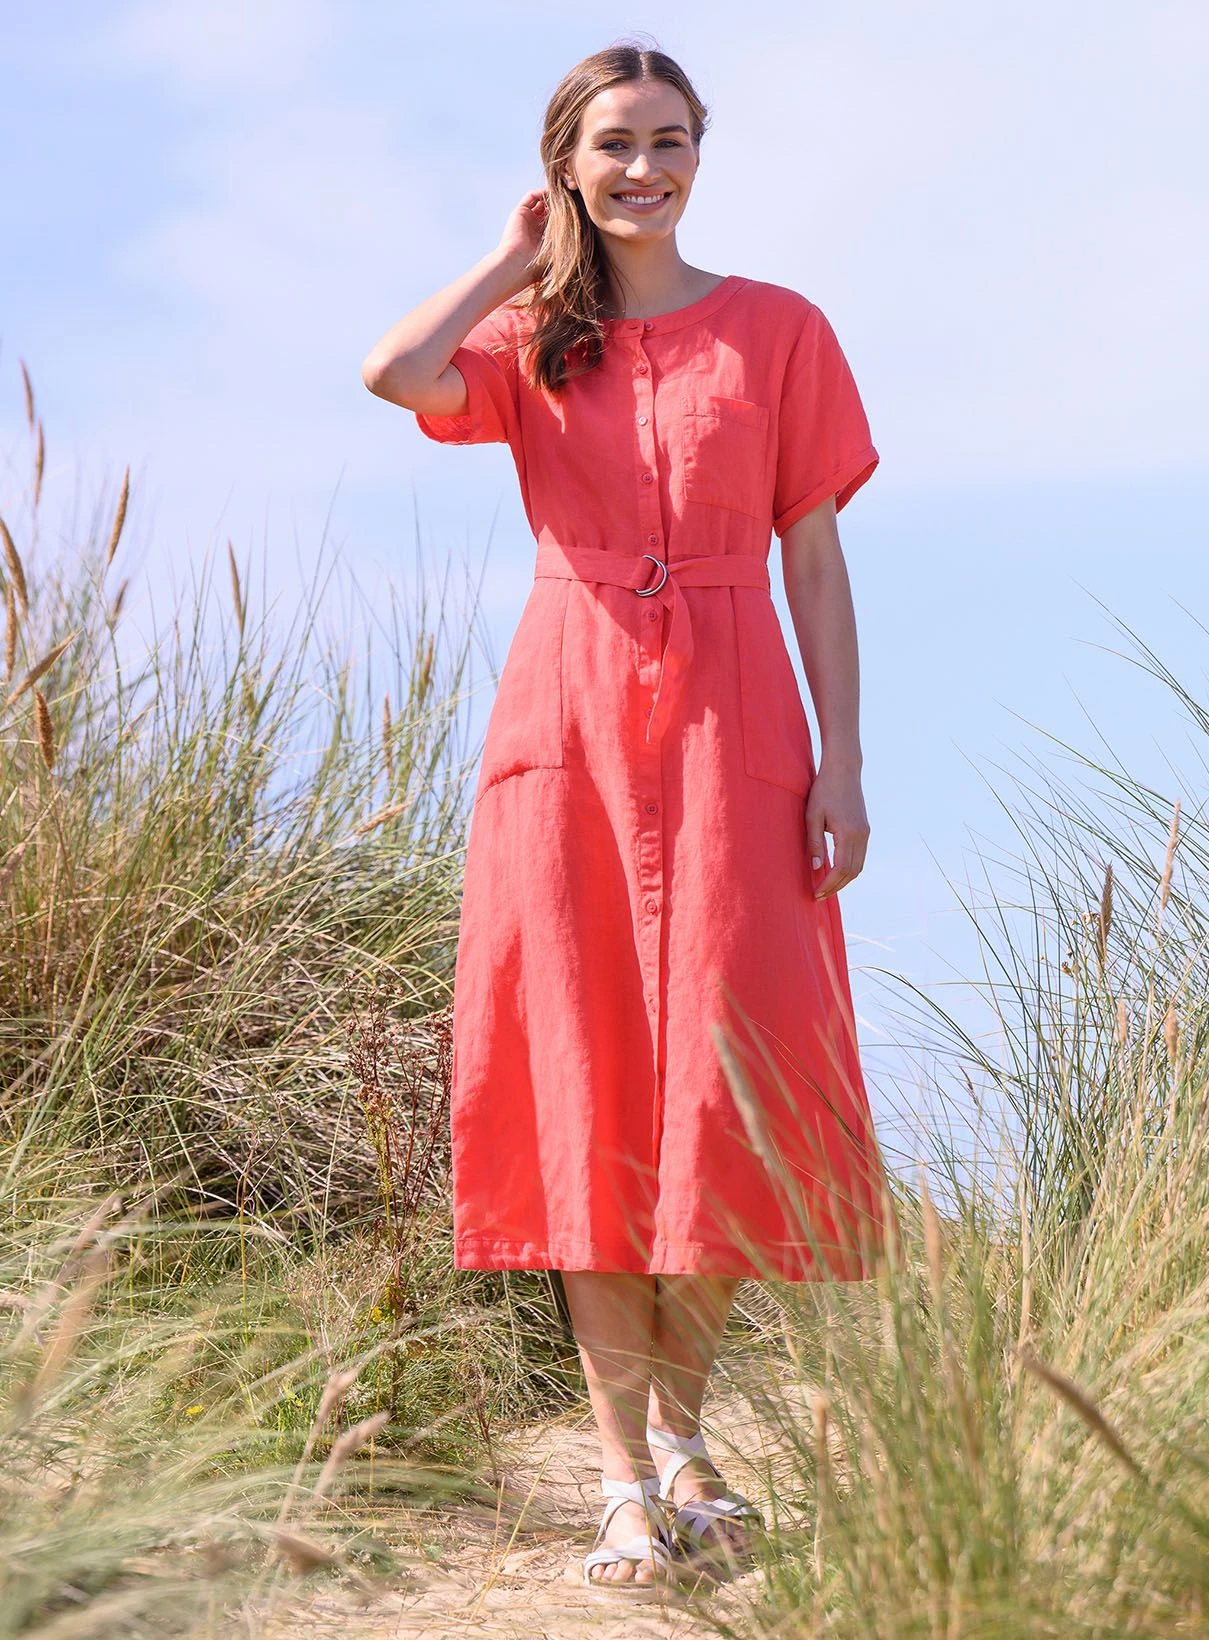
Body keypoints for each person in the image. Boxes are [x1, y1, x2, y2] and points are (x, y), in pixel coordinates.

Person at [362, 40, 893, 1600]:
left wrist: (843, 761)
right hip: (570, 724)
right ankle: (618, 1479)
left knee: (725, 1076)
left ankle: (685, 1438)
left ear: (699, 155)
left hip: (739, 724)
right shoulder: (532, 338)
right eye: (612, 143)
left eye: (668, 140)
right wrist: (509, 259)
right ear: (566, 164)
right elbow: (393, 373)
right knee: (583, 1075)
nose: (643, 168)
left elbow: (812, 561)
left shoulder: (779, 330)